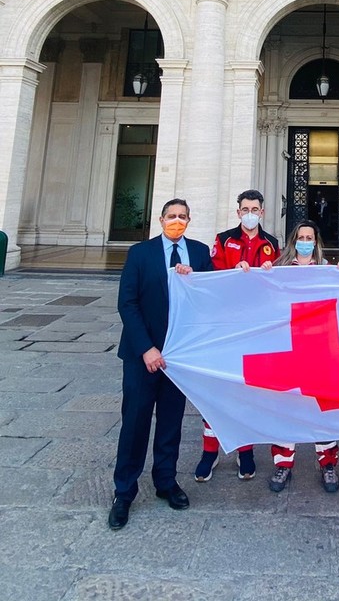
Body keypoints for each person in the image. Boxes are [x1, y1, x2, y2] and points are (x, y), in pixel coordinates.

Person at [109, 199, 213, 530]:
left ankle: (166, 481)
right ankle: (124, 491)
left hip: (178, 357)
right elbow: (127, 303)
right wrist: (147, 349)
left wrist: (193, 279)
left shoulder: (198, 253)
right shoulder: (140, 253)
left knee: (171, 422)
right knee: (135, 422)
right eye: (172, 216)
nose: (177, 221)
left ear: (189, 220)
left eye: (183, 216)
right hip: (144, 357)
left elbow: (210, 299)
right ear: (161, 219)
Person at [194, 189, 280, 483]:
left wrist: (268, 273)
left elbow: (278, 289)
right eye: (245, 209)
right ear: (238, 212)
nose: (250, 213)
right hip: (225, 325)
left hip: (255, 328)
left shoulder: (272, 244)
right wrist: (235, 271)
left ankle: (245, 451)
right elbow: (212, 277)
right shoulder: (223, 240)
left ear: (263, 212)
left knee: (246, 390)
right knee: (216, 389)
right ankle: (210, 451)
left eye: (255, 208)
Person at [266, 220, 339, 495]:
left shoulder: (327, 270)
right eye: (301, 237)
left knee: (322, 407)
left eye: (310, 237)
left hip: (319, 347)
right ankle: (283, 462)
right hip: (288, 346)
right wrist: (262, 275)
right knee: (287, 407)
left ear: (316, 241)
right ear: (293, 241)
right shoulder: (280, 270)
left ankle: (328, 462)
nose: (305, 242)